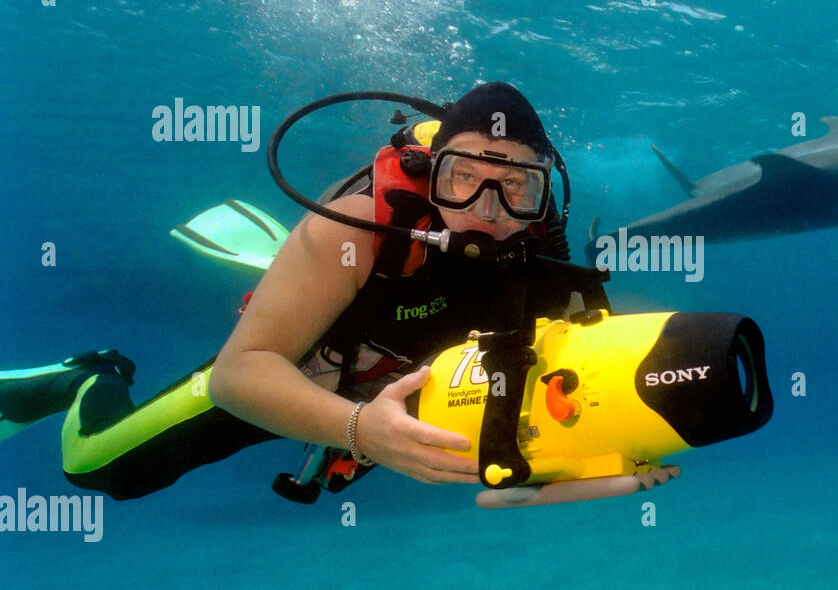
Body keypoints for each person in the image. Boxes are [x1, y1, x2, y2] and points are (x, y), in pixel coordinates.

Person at [0, 82, 577, 500]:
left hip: (376, 383)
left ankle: (296, 280)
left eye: (515, 188)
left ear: (543, 197)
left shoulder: (541, 257)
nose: (485, 209)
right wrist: (357, 430)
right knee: (97, 468)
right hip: (293, 373)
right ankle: (90, 374)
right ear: (434, 175)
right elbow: (237, 375)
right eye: (463, 179)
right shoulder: (359, 228)